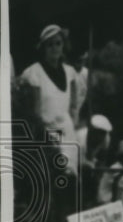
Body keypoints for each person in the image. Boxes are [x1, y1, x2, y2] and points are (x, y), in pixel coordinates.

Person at [20, 24, 81, 175]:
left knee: (70, 178)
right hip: (47, 135)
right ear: (43, 48)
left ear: (63, 46)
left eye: (58, 43)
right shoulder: (35, 73)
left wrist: (71, 122)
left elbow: (74, 104)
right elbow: (34, 113)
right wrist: (46, 139)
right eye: (50, 45)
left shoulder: (70, 72)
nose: (55, 48)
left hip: (68, 134)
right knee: (55, 175)